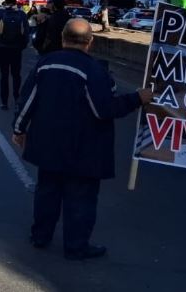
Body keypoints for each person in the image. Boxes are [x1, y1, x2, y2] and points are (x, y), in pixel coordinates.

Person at [12, 18, 153, 261]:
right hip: (84, 149)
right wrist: (137, 99)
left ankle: (41, 236)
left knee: (47, 193)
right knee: (81, 200)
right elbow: (104, 109)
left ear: (62, 38)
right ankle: (76, 246)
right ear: (90, 42)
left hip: (48, 145)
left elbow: (27, 100)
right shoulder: (95, 71)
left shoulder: (45, 64)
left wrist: (18, 129)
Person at [0, 0, 30, 110]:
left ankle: (4, 101)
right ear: (16, 1)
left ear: (5, 1)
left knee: (4, 75)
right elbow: (26, 33)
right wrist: (22, 46)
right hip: (16, 49)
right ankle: (17, 98)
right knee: (16, 75)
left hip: (3, 48)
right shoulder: (21, 14)